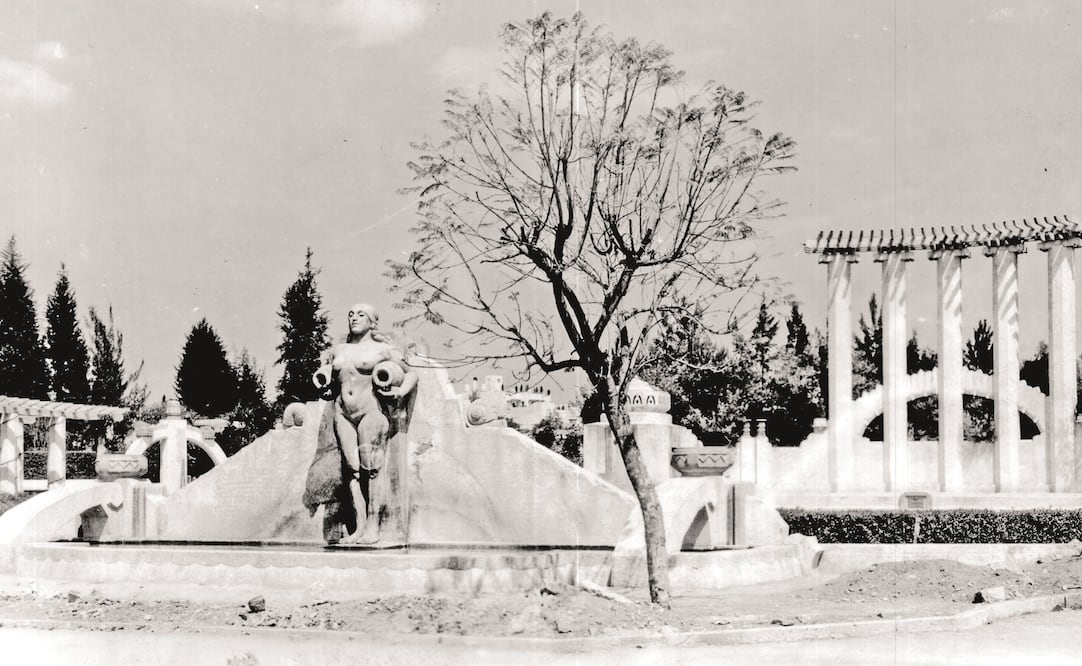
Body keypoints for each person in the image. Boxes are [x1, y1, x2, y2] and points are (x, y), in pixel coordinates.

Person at [310, 303, 417, 544]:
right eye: (350, 314)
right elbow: (330, 376)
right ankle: (358, 527)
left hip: (371, 412)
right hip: (343, 413)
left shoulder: (383, 349)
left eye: (361, 314)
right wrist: (325, 379)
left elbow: (412, 372)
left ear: (372, 321)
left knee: (372, 469)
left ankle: (373, 526)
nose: (354, 318)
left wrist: (401, 391)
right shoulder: (339, 349)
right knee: (352, 471)